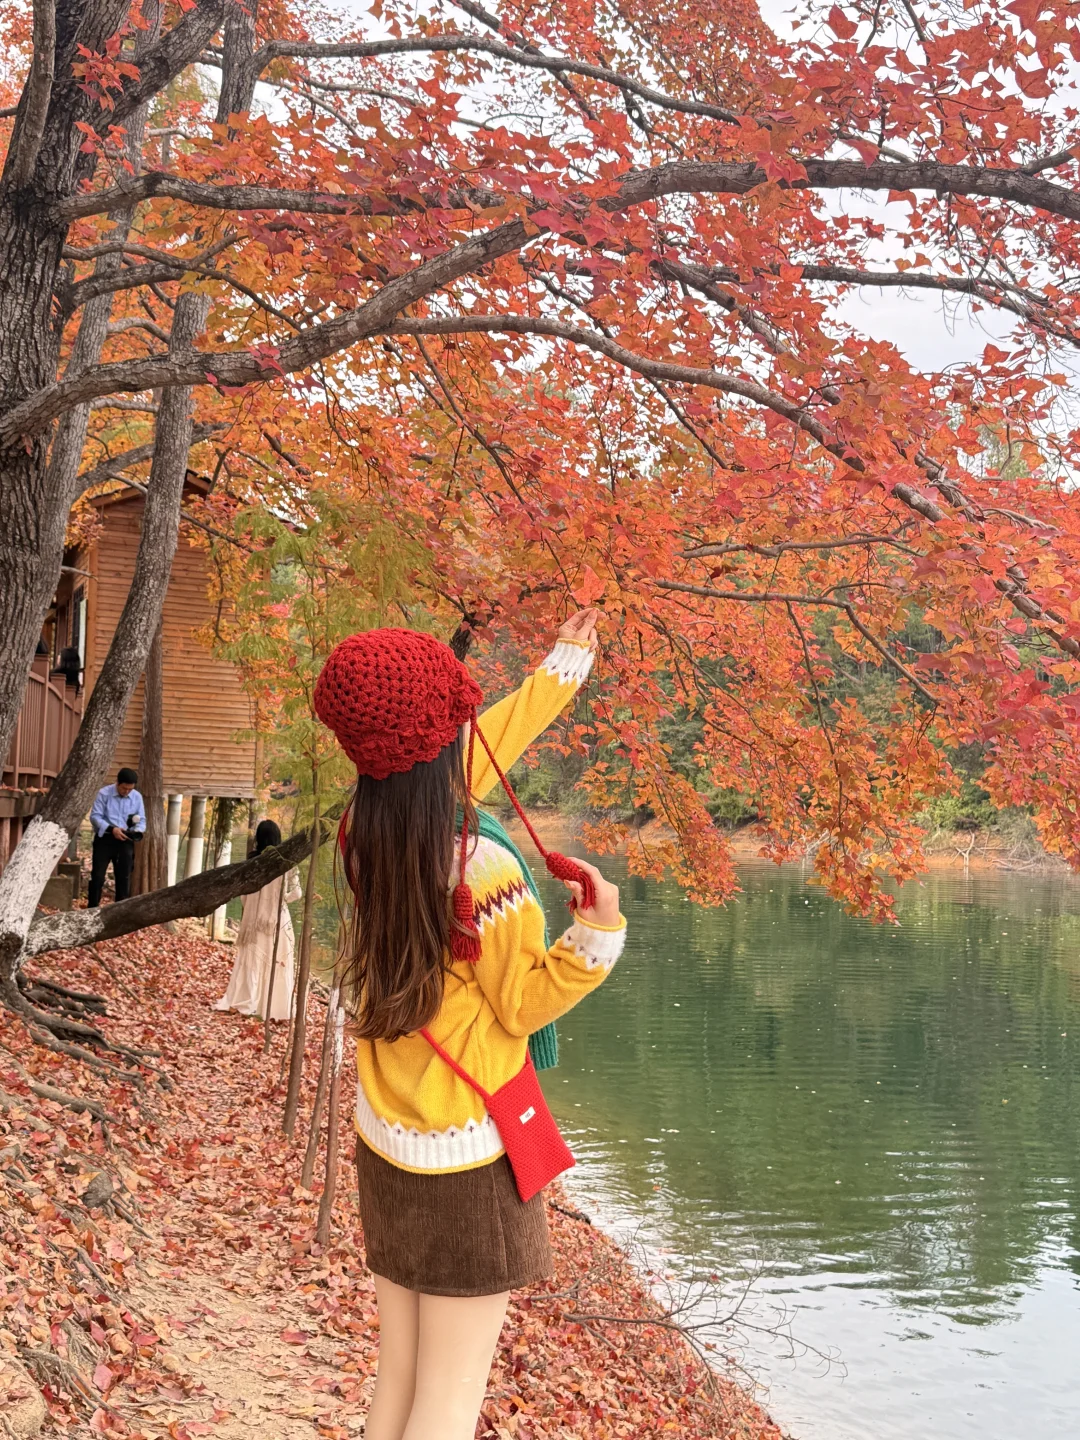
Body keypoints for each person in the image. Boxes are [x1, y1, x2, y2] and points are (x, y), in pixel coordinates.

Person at [313, 609, 625, 1440]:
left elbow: (470, 749)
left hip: (387, 1142)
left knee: (400, 1384)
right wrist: (599, 933)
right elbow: (524, 1002)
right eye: (459, 714)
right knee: (448, 1406)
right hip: (468, 1157)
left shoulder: (367, 830)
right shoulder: (479, 867)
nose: (471, 727)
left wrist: (563, 668)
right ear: (441, 734)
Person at [213, 819, 302, 1020]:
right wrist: (280, 902)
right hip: (277, 920)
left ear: (258, 839)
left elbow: (244, 896)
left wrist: (255, 907)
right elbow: (297, 893)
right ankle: (275, 1008)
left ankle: (247, 1001)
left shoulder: (252, 862)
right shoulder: (287, 862)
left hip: (254, 922)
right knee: (276, 962)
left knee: (252, 961)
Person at [87, 768, 145, 907]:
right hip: (105, 838)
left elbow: (142, 819)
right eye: (124, 788)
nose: (126, 792)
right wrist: (112, 829)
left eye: (130, 789)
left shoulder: (137, 797)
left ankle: (120, 912)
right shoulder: (104, 793)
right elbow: (95, 816)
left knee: (124, 878)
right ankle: (92, 908)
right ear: (117, 783)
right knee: (98, 877)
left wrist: (137, 830)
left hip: (125, 839)